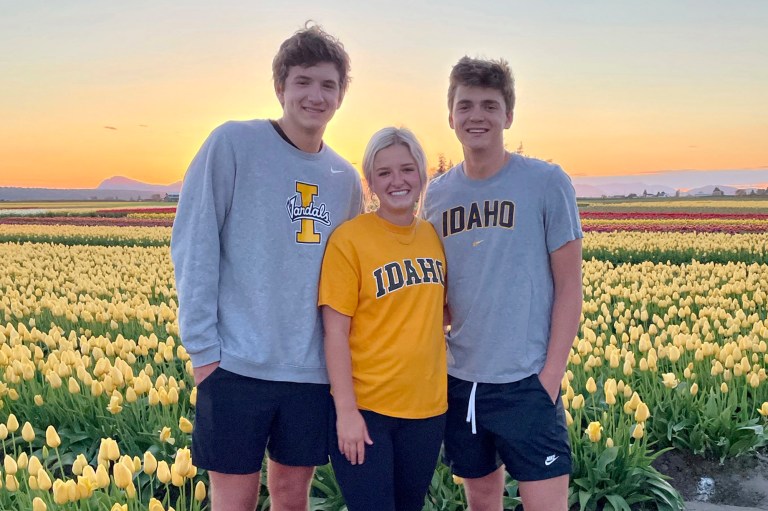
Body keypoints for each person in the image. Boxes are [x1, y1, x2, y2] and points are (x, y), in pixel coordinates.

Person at [171, 23, 363, 511]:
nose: (315, 95)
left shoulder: (345, 180)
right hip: (235, 365)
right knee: (232, 500)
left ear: (341, 95)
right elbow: (194, 244)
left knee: (291, 496)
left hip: (310, 371)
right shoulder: (233, 144)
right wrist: (204, 356)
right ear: (280, 87)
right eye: (303, 81)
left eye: (327, 84)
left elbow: (348, 282)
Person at [421, 56, 583, 511]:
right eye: (466, 105)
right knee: (481, 503)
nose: (477, 116)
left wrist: (549, 378)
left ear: (508, 115)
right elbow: (443, 289)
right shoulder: (437, 194)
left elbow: (570, 287)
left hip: (526, 381)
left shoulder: (546, 183)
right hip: (463, 380)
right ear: (450, 115)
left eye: (490, 105)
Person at [319, 127, 447, 511]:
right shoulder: (350, 240)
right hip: (368, 411)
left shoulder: (434, 236)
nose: (397, 181)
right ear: (370, 182)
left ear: (422, 176)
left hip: (427, 411)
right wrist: (346, 413)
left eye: (407, 170)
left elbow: (443, 312)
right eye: (384, 172)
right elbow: (335, 332)